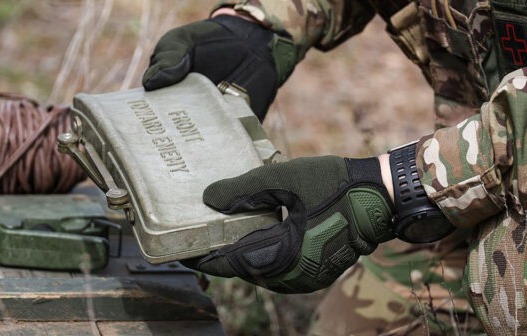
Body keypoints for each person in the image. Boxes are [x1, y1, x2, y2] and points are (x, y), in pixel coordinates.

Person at [142, 1, 527, 335]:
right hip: (484, 177)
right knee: (349, 326)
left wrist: (393, 186)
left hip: (499, 175)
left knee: (508, 292)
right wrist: (259, 25)